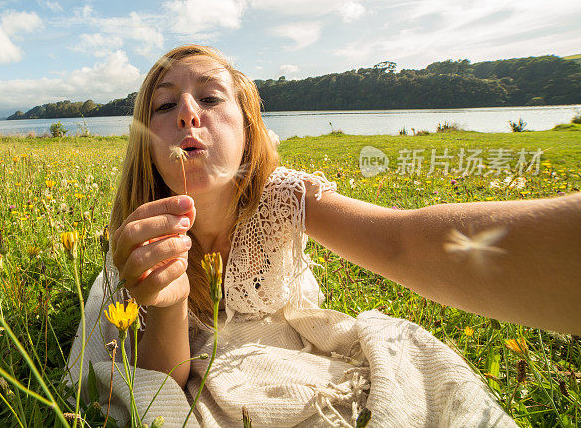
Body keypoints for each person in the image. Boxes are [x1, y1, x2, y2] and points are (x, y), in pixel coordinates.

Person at [68, 44, 580, 427]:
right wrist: (168, 303)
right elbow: (166, 382)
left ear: (248, 129)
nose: (187, 112)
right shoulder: (141, 245)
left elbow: (400, 242)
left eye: (209, 97)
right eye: (163, 106)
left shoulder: (282, 198)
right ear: (148, 144)